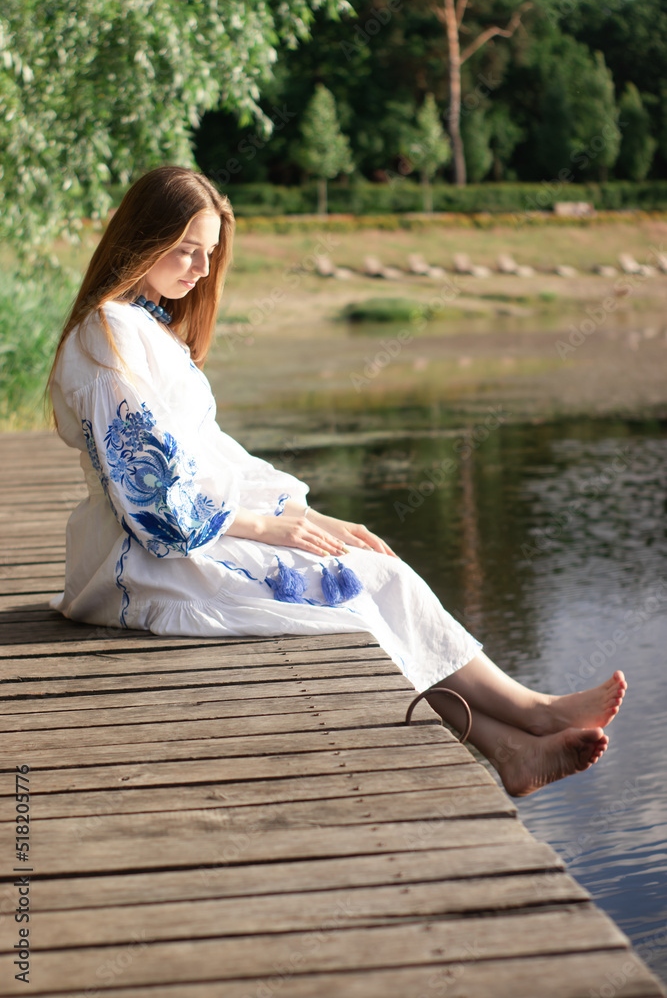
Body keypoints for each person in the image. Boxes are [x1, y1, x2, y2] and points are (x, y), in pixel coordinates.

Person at [48, 166, 627, 797]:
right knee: (353, 594)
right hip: (142, 560)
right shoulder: (106, 339)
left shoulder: (146, 327)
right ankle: (525, 725)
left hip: (192, 535)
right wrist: (269, 527)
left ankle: (514, 739)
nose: (201, 271)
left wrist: (308, 516)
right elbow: (153, 497)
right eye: (187, 250)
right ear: (142, 238)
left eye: (209, 254)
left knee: (372, 564)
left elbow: (217, 458)